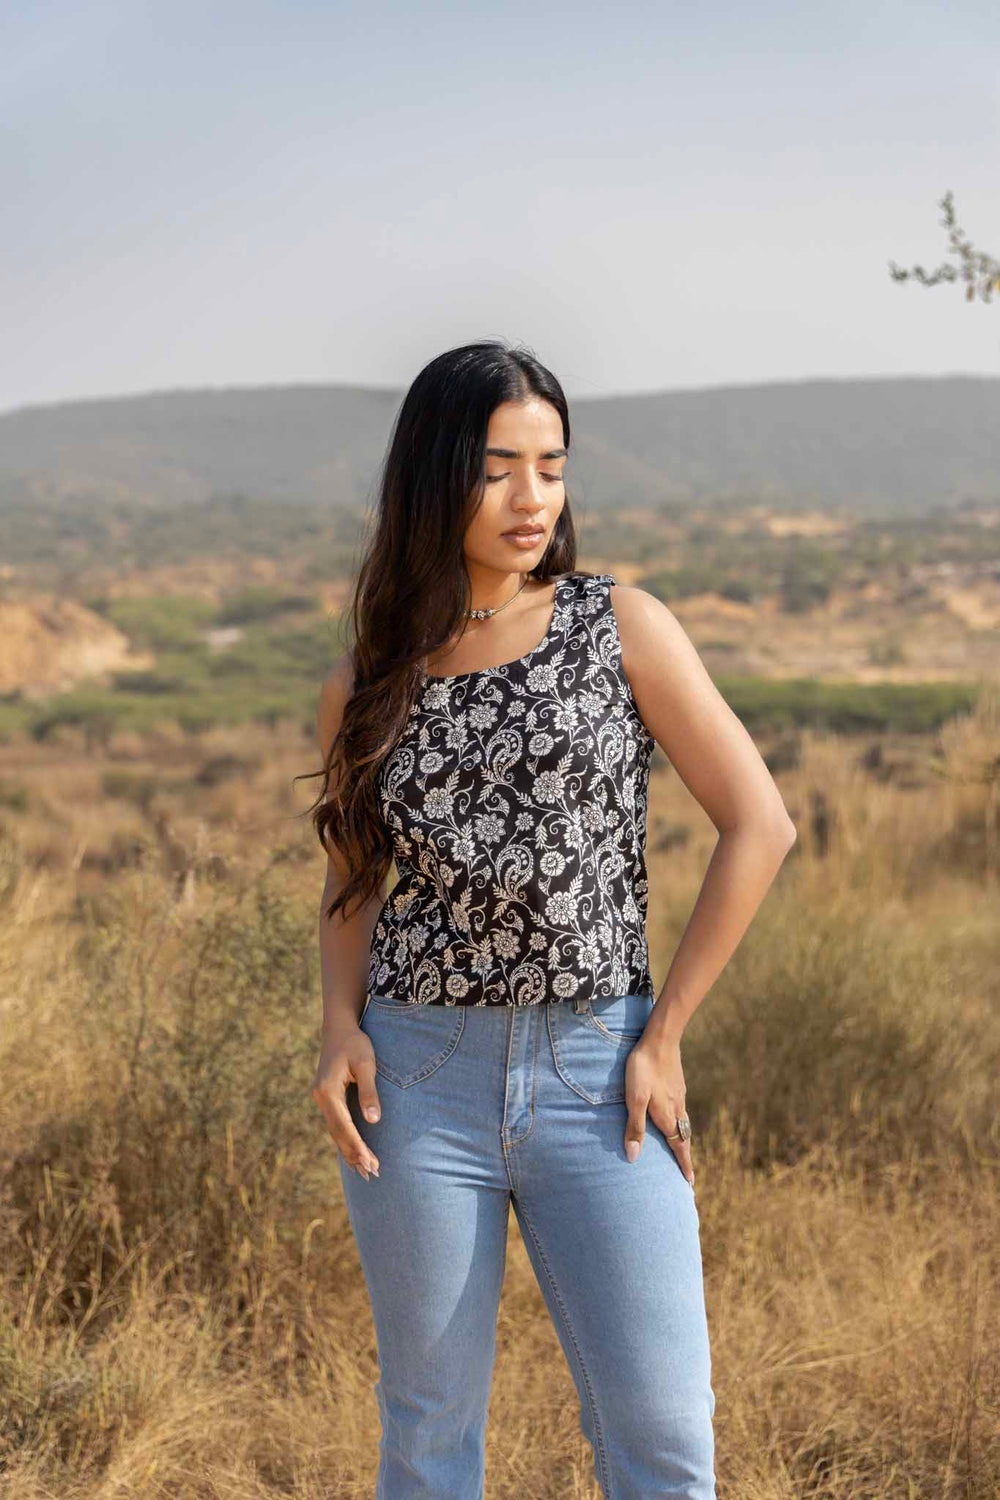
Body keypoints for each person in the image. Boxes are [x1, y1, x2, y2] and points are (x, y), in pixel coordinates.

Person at [306, 340, 797, 1499]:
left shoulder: (617, 624)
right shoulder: (370, 678)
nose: (532, 497)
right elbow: (353, 876)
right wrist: (337, 1026)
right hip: (416, 1077)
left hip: (600, 1069)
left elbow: (759, 824)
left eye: (551, 466)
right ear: (434, 476)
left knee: (663, 1434)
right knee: (428, 1435)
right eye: (497, 469)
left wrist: (662, 1034)